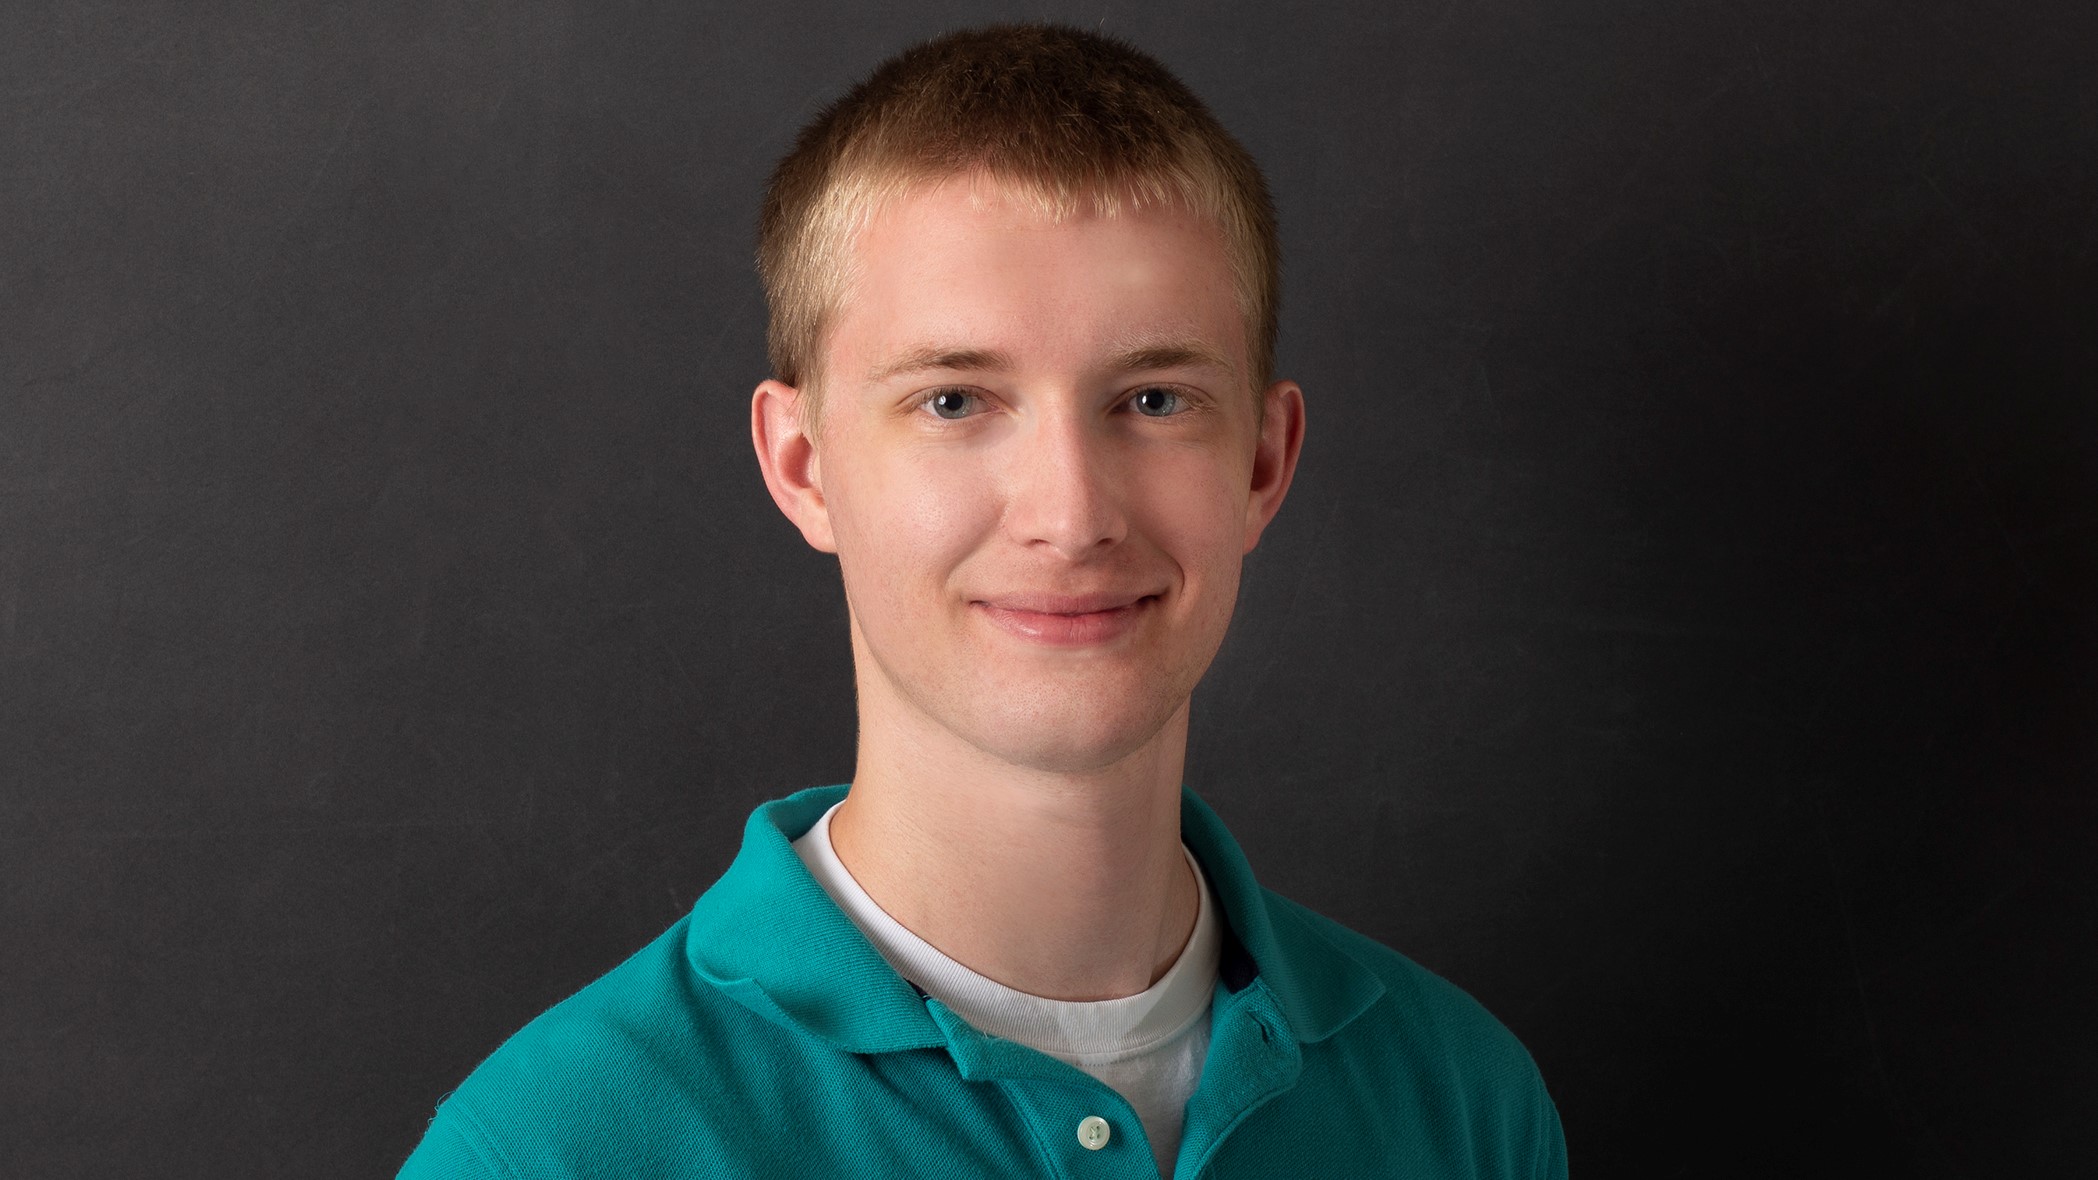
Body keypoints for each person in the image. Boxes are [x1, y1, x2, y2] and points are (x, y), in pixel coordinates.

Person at [401, 23, 1566, 1179]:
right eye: (955, 401)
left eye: (1155, 399)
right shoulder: (551, 1149)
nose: (1071, 514)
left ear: (1263, 464)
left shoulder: (1462, 1101)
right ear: (803, 467)